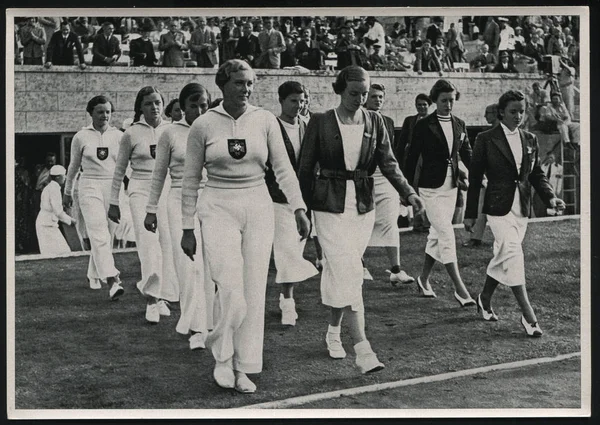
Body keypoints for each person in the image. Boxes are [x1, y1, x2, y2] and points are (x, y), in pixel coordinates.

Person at [180, 60, 311, 393]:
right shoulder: (203, 125)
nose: (246, 89)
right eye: (240, 83)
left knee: (253, 291)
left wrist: (298, 207)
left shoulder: (264, 120)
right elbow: (191, 180)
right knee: (230, 288)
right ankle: (222, 359)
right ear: (223, 84)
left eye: (250, 83)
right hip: (217, 206)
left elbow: (283, 169)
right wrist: (186, 226)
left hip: (258, 204)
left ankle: (244, 367)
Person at [297, 66, 424, 375]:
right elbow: (304, 168)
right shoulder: (320, 122)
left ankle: (332, 330)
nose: (360, 99)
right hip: (327, 206)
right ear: (340, 90)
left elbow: (389, 164)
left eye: (364, 93)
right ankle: (363, 349)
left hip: (363, 207)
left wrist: (409, 194)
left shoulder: (376, 122)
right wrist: (299, 210)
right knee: (349, 270)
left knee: (344, 273)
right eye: (354, 93)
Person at [464, 90, 565, 337]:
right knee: (511, 252)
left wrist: (550, 196)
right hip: (497, 208)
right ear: (501, 112)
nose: (518, 116)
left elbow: (536, 174)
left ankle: (484, 298)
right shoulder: (485, 139)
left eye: (521, 111)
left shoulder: (529, 139)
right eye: (513, 111)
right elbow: (475, 177)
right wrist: (470, 213)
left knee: (503, 255)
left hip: (522, 207)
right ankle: (528, 315)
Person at [144, 83, 214, 349]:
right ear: (182, 107)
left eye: (204, 104)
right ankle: (195, 327)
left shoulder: (212, 128)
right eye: (193, 105)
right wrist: (151, 209)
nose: (199, 110)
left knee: (210, 264)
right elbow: (158, 174)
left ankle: (208, 322)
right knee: (188, 265)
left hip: (211, 201)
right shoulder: (170, 133)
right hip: (177, 200)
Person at [109, 86, 179, 323]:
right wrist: (114, 202)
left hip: (167, 190)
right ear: (140, 107)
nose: (155, 107)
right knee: (148, 244)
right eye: (149, 103)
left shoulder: (171, 130)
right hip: (139, 191)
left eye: (158, 102)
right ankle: (151, 298)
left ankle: (163, 297)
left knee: (167, 243)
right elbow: (119, 170)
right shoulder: (131, 133)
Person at [404, 79, 475, 305]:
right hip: (429, 189)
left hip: (451, 187)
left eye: (452, 100)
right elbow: (411, 158)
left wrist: (478, 174)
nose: (448, 104)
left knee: (436, 234)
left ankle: (423, 279)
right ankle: (460, 289)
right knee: (446, 234)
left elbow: (467, 155)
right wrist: (405, 190)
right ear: (435, 100)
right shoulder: (423, 126)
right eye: (444, 100)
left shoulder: (460, 124)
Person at [263, 81, 319, 327]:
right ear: (282, 101)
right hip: (276, 198)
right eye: (294, 101)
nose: (299, 105)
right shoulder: (271, 127)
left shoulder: (308, 127)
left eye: (302, 100)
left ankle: (286, 295)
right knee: (286, 251)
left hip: (303, 199)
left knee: (294, 250)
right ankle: (288, 301)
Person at [63, 95, 124, 297]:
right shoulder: (81, 136)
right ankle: (113, 279)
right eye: (99, 111)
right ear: (91, 113)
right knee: (98, 232)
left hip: (112, 186)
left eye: (107, 111)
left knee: (108, 234)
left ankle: (93, 273)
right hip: (88, 185)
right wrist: (67, 191)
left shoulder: (119, 136)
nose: (104, 115)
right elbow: (72, 167)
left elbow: (127, 167)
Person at [363, 83, 415, 286]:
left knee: (390, 221)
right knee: (363, 222)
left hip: (385, 177)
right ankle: (360, 265)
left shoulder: (388, 121)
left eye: (381, 97)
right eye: (374, 96)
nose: (378, 100)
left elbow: (391, 156)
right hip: (363, 178)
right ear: (366, 98)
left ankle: (396, 270)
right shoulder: (356, 119)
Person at [463, 103, 499, 248]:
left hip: (501, 180)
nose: (485, 116)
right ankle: (475, 238)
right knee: (480, 206)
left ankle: (500, 238)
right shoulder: (485, 135)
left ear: (496, 113)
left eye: (488, 113)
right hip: (487, 176)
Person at [398, 94, 432, 233]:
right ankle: (418, 223)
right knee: (415, 187)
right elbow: (402, 140)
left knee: (428, 189)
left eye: (424, 104)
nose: (422, 107)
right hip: (414, 158)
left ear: (429, 106)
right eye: (419, 104)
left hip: (429, 158)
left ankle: (429, 222)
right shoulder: (410, 121)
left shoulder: (433, 120)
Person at [36, 165, 75, 255]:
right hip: (46, 225)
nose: (65, 178)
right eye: (63, 175)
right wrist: (70, 220)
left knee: (60, 252)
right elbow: (58, 212)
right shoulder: (54, 188)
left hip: (47, 224)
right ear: (58, 177)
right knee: (62, 252)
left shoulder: (50, 187)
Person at [33, 152, 57, 219]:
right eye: (48, 161)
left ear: (55, 161)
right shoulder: (40, 168)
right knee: (36, 213)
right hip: (37, 194)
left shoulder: (56, 171)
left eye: (52, 161)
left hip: (47, 196)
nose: (50, 163)